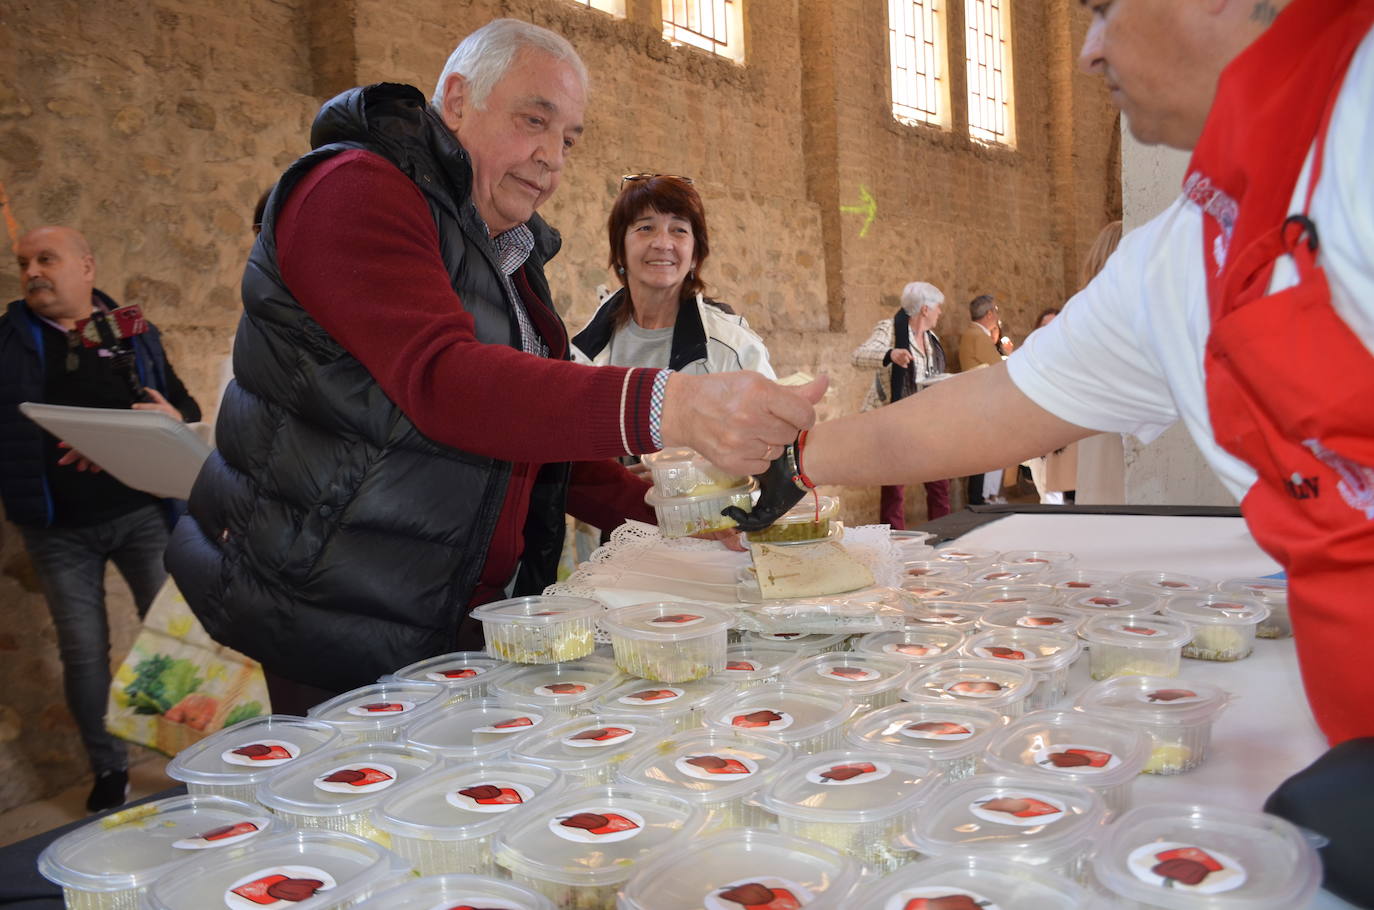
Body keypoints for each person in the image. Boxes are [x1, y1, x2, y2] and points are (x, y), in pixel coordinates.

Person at [728, 0, 1374, 900]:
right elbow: (1000, 404)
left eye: (1105, 10)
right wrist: (799, 456)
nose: (1086, 51)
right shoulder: (1182, 252)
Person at [166, 19, 822, 711]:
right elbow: (446, 381)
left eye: (568, 139)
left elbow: (533, 437)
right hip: (329, 599)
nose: (551, 158)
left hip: (440, 608)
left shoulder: (505, 253)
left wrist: (661, 515)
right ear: (456, 101)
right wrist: (674, 404)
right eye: (532, 121)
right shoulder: (353, 188)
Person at [0, 226, 201, 811]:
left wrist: (173, 413)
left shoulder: (134, 331)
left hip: (142, 513)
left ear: (86, 267)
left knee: (173, 642)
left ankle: (192, 763)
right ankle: (108, 770)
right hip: (57, 528)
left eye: (46, 259)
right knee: (84, 652)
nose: (33, 271)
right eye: (23, 262)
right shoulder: (8, 342)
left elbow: (183, 406)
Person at [572, 174, 775, 378]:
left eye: (679, 230)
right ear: (619, 250)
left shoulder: (735, 352)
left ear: (695, 254)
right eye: (646, 228)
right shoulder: (583, 351)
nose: (662, 243)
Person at [850, 281, 950, 525]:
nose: (940, 312)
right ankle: (893, 541)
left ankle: (945, 535)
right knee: (894, 488)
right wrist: (890, 354)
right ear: (925, 309)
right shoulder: (890, 329)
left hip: (926, 419)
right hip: (894, 418)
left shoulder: (931, 339)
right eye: (938, 307)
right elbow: (858, 356)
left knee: (940, 483)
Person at [957, 294, 1009, 505]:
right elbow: (999, 367)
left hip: (978, 398)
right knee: (986, 454)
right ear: (989, 314)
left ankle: (982, 497)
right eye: (995, 311)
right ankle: (981, 499)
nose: (996, 316)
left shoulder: (971, 334)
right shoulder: (978, 336)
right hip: (983, 400)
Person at [1021, 307, 1075, 505]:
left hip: (1066, 438)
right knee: (1046, 492)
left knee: (1063, 492)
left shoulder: (1073, 359)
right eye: (1044, 326)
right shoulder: (1029, 360)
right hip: (1039, 436)